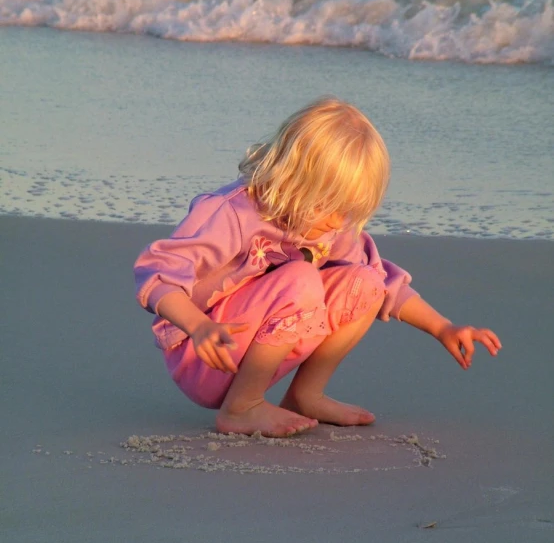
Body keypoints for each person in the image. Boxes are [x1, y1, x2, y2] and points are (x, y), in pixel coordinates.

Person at [134, 97, 501, 437]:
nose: (338, 220)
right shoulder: (232, 211)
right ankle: (241, 409)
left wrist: (443, 327)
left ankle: (306, 395)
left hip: (259, 349)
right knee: (301, 278)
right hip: (206, 353)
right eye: (330, 204)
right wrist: (198, 326)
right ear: (293, 179)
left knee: (365, 282)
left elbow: (385, 284)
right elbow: (158, 272)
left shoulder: (332, 226)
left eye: (350, 209)